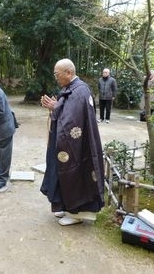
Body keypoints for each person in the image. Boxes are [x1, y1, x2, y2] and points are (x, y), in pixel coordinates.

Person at [40, 58, 105, 226]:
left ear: (68, 73)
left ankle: (76, 213)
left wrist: (56, 108)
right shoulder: (71, 88)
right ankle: (66, 207)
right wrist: (55, 107)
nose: (56, 77)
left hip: (76, 146)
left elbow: (70, 123)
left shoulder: (79, 92)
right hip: (70, 145)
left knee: (74, 174)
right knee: (62, 173)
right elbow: (66, 112)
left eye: (57, 74)